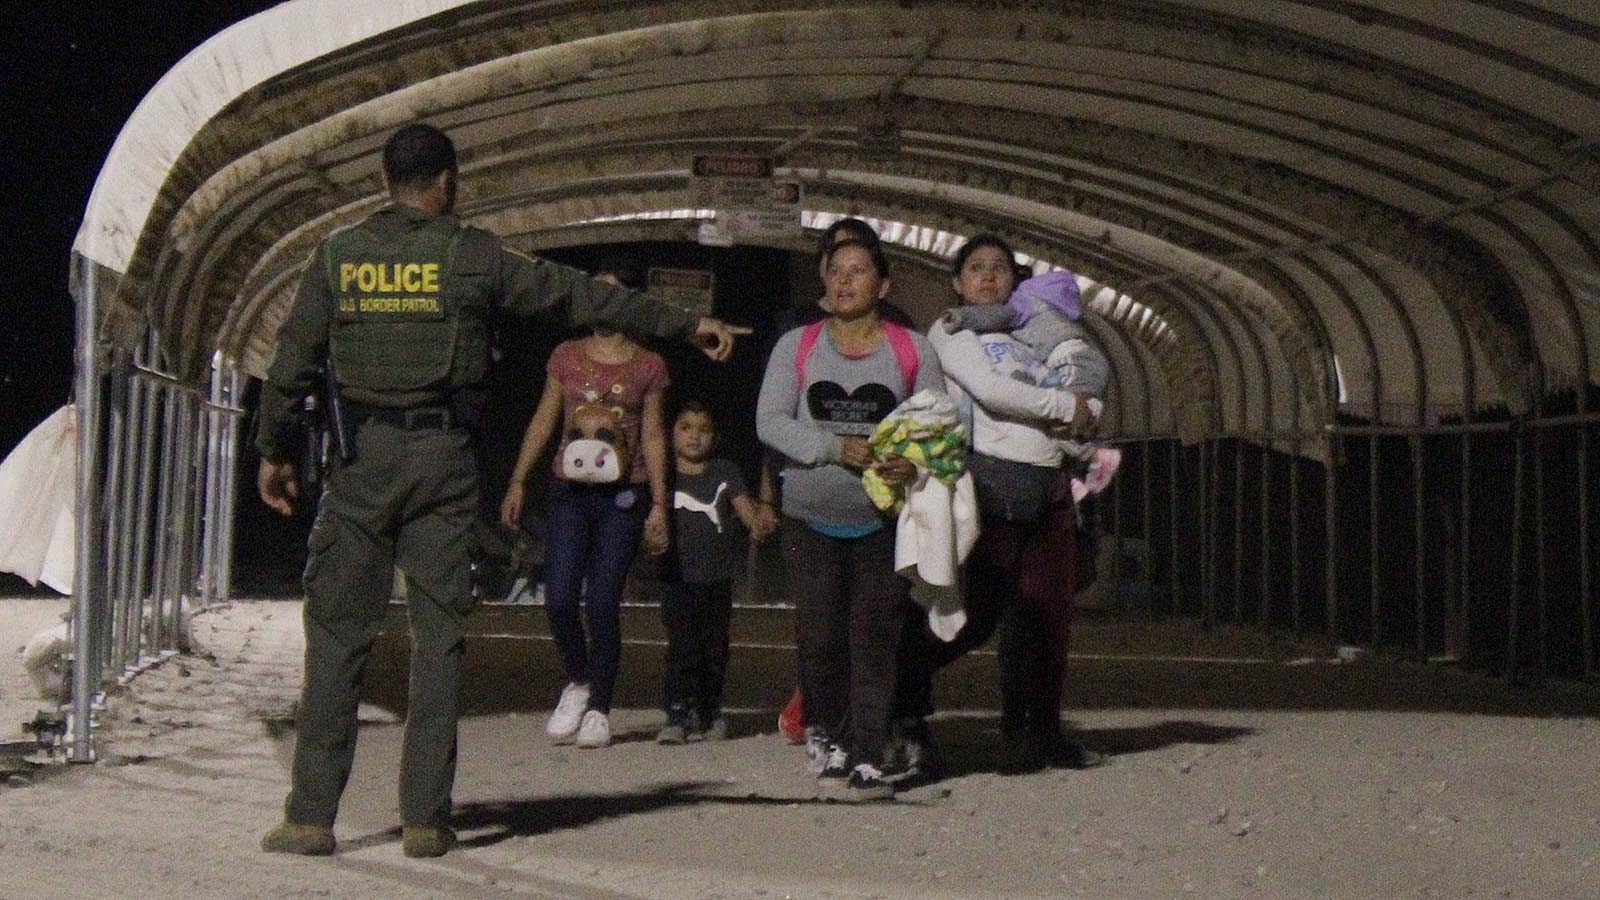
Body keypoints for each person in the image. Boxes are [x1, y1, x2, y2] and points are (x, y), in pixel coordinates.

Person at [254, 123, 747, 859]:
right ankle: (425, 818)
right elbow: (580, 298)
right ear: (447, 182)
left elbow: (293, 360)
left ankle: (310, 817)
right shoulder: (472, 255)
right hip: (443, 460)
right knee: (438, 641)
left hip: (362, 462)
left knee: (334, 638)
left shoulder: (338, 255)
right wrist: (687, 324)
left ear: (384, 181)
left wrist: (274, 450)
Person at [893, 233, 1105, 776]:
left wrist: (1088, 404)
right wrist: (1065, 406)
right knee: (969, 618)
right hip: (990, 487)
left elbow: (1081, 373)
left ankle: (1036, 734)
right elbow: (992, 391)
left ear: (1018, 281)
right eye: (976, 268)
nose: (989, 276)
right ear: (958, 282)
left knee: (1043, 619)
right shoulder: (952, 329)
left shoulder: (1031, 328)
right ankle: (897, 705)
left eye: (1001, 269)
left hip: (1049, 487)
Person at [756, 237, 943, 801]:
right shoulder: (799, 344)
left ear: (882, 287)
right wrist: (835, 448)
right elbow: (770, 421)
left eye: (857, 272)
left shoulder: (911, 349)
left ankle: (867, 751)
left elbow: (935, 426)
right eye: (835, 271)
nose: (843, 281)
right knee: (820, 635)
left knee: (876, 635)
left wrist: (908, 463)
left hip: (883, 519)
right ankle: (828, 735)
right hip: (810, 515)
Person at [499, 253, 673, 751]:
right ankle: (578, 680)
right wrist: (518, 480)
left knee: (601, 600)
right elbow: (543, 419)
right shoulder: (567, 356)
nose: (600, 301)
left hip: (623, 494)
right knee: (558, 597)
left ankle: (600, 706)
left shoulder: (648, 366)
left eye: (611, 291)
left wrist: (659, 505)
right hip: (569, 492)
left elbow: (655, 436)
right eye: (591, 291)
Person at [655, 401, 773, 744]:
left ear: (715, 437)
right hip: (676, 577)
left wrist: (758, 524)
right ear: (671, 433)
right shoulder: (663, 474)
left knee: (714, 649)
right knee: (682, 646)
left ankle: (710, 710)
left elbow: (745, 510)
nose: (694, 436)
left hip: (716, 578)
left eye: (703, 429)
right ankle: (677, 712)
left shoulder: (724, 471)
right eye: (686, 427)